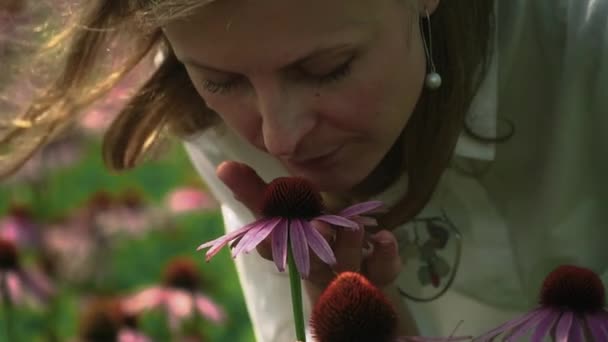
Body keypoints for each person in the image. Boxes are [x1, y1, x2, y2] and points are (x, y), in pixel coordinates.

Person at [1, 0, 606, 341]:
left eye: (326, 68)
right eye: (224, 81)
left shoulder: (587, 42)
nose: (278, 136)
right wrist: (352, 316)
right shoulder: (209, 104)